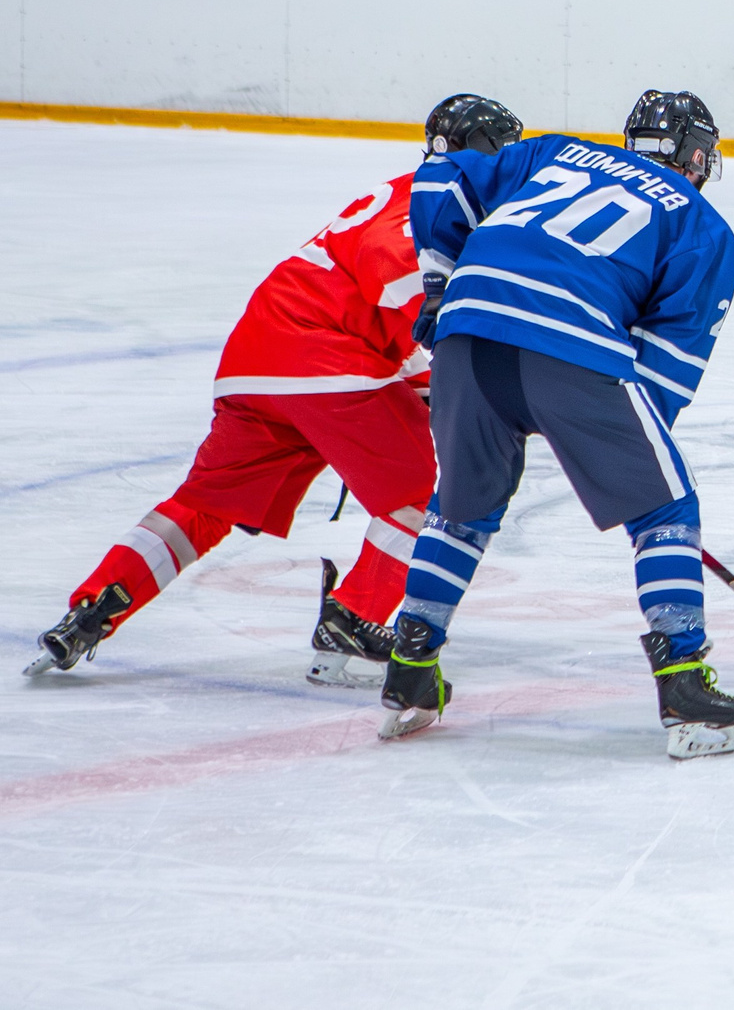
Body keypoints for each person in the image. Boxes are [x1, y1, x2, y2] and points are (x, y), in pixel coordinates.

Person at [27, 95, 525, 688]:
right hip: (326, 360)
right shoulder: (440, 212)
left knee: (207, 504)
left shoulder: (410, 188)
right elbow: (398, 283)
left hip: (257, 356)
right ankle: (356, 616)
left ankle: (94, 607)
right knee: (421, 494)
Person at [381, 90, 734, 760]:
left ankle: (410, 666)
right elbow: (663, 375)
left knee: (462, 507)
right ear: (699, 154)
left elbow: (442, 175)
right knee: (666, 507)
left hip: (466, 330)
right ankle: (685, 684)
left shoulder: (558, 151)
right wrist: (613, 457)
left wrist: (439, 287)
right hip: (571, 341)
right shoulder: (704, 226)